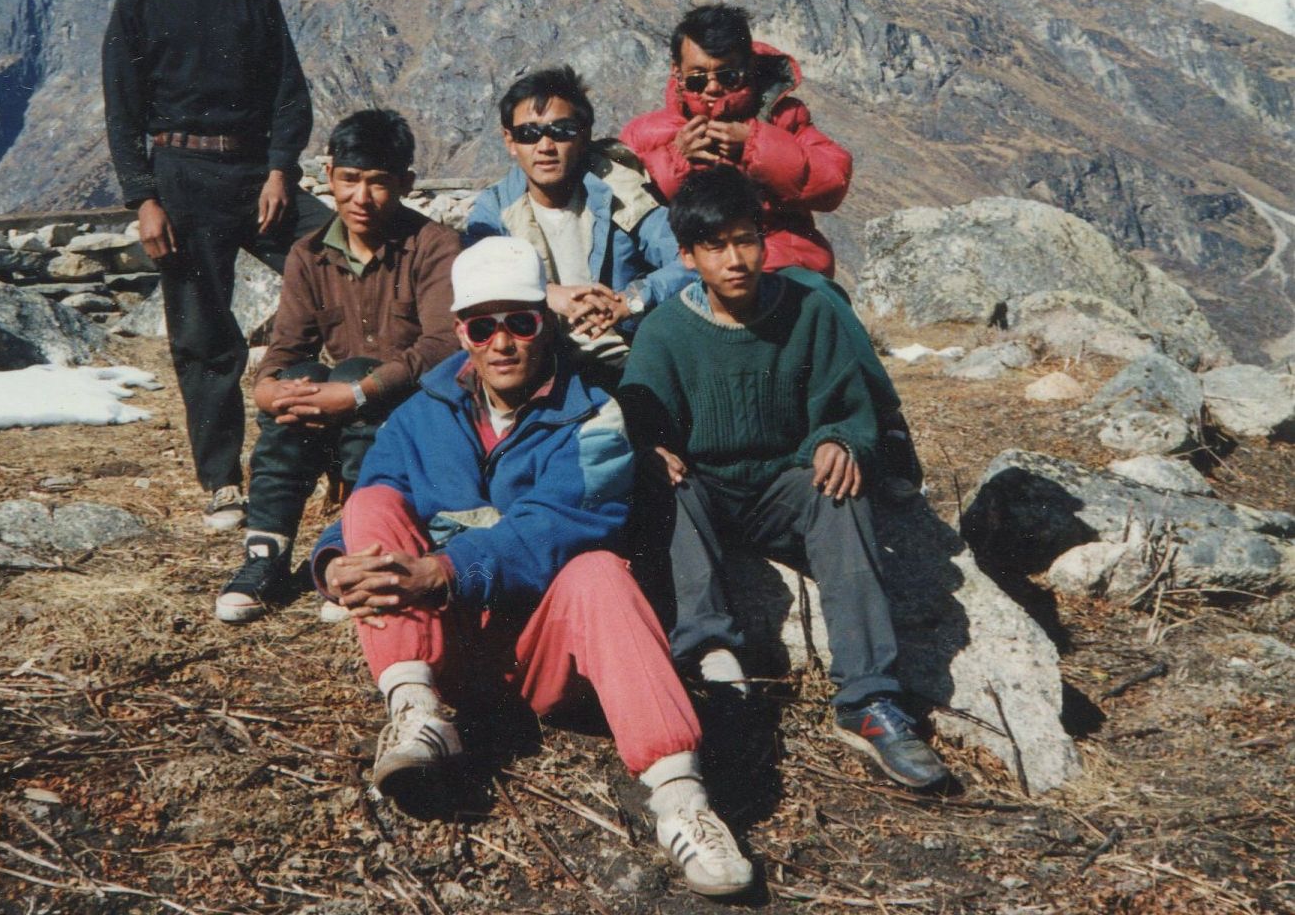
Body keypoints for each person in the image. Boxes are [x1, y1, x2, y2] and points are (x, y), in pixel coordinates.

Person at [310, 237, 755, 901]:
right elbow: (370, 499)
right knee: (371, 503)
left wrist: (443, 567)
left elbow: (555, 529)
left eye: (518, 321)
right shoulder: (419, 416)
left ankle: (681, 800)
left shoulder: (595, 419)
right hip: (446, 646)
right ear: (460, 332)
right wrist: (334, 564)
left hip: (547, 657)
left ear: (543, 323)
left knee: (598, 572)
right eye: (481, 326)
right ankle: (414, 709)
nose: (501, 342)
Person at [618, 166, 946, 791]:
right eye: (714, 246)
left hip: (781, 489)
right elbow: (638, 417)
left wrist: (840, 440)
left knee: (839, 488)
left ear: (765, 242)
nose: (735, 259)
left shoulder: (808, 314)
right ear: (686, 256)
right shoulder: (663, 334)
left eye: (746, 240)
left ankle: (868, 700)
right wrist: (650, 448)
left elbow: (851, 410)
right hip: (705, 492)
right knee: (666, 483)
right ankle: (715, 662)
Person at [101, 0, 329, 530]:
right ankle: (222, 479)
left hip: (257, 174)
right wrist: (144, 198)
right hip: (180, 178)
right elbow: (122, 114)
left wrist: (281, 168)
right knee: (202, 333)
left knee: (333, 263)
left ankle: (336, 451)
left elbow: (290, 90)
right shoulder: (138, 4)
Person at [215, 109, 461, 623]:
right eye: (349, 180)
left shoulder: (434, 247)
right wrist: (268, 391)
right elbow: (286, 347)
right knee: (295, 387)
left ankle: (361, 550)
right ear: (329, 177)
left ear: (406, 184)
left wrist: (357, 393)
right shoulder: (308, 255)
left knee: (352, 375)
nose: (361, 197)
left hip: (415, 408)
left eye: (379, 183)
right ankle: (266, 555)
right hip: (345, 408)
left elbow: (442, 346)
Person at [464, 65, 691, 377]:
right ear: (509, 141)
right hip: (536, 366)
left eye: (561, 131)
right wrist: (547, 293)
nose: (545, 147)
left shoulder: (622, 192)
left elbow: (689, 258)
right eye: (528, 134)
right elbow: (474, 281)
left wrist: (631, 300)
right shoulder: (496, 210)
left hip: (625, 360)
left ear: (584, 135)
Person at [620, 3, 851, 276]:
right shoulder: (644, 133)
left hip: (781, 263)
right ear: (677, 72)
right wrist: (675, 159)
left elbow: (832, 181)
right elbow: (625, 207)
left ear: (749, 66)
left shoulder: (784, 118)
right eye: (697, 80)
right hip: (687, 268)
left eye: (727, 76)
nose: (713, 88)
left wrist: (755, 145)